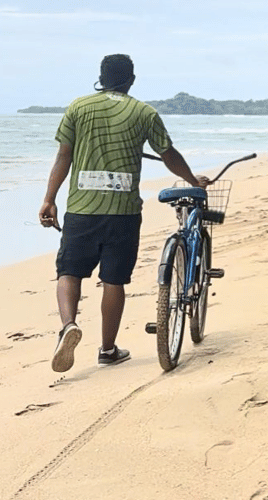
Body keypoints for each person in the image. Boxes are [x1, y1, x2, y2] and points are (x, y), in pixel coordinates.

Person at [39, 54, 207, 373]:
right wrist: (191, 180)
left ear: (100, 79)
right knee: (113, 281)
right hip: (123, 212)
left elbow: (64, 155)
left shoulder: (78, 107)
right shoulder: (144, 112)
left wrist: (49, 199)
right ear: (131, 79)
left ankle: (68, 326)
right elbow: (167, 154)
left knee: (69, 272)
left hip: (81, 208)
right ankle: (107, 349)